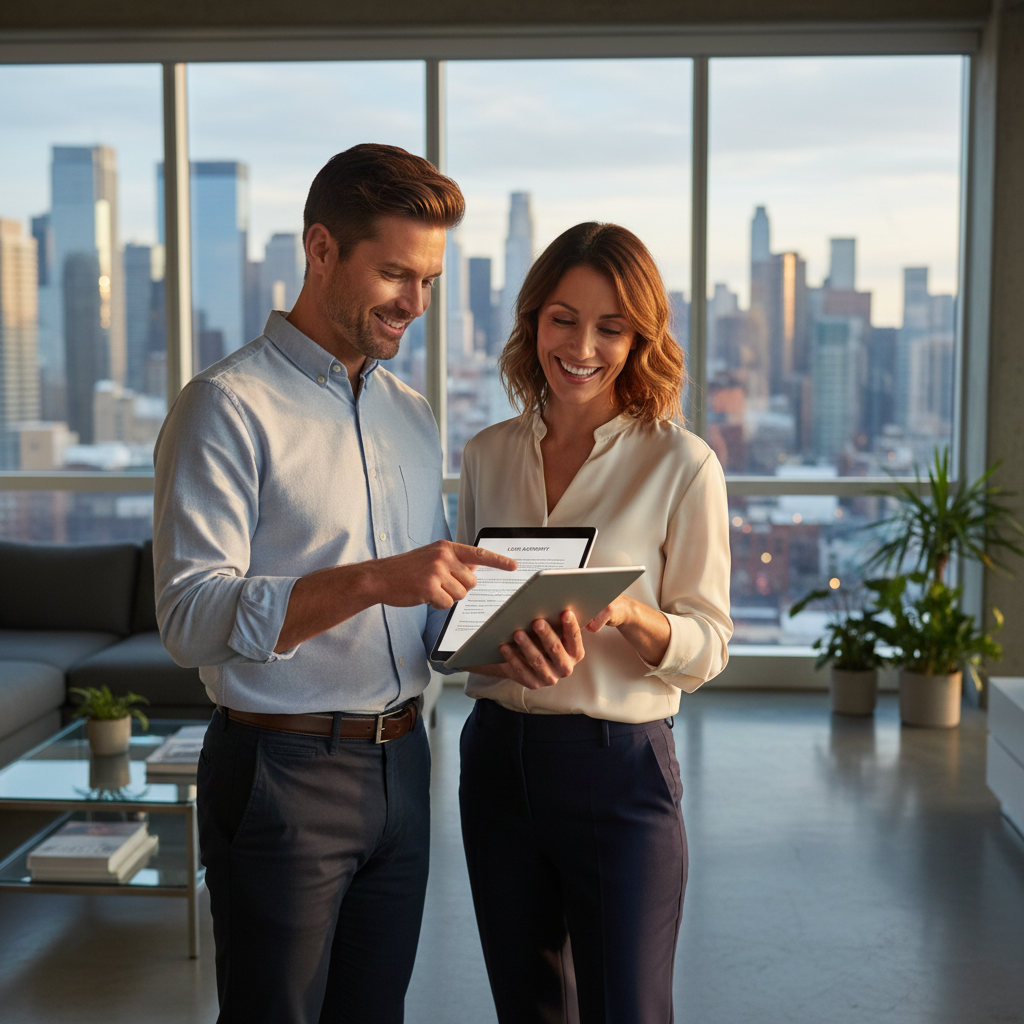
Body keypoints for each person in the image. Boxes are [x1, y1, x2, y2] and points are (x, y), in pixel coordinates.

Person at [152, 144, 582, 1024]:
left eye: (427, 280)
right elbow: (190, 619)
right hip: (281, 771)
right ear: (320, 250)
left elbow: (421, 612)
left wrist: (500, 640)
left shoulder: (410, 414)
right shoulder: (226, 406)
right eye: (394, 274)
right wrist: (375, 579)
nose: (414, 305)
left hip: (404, 764)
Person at [456, 222, 734, 1024]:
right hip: (498, 762)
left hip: (618, 769)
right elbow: (465, 614)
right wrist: (479, 641)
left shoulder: (682, 465)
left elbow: (709, 643)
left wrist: (627, 612)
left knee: (630, 1010)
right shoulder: (486, 455)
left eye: (611, 328)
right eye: (563, 319)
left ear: (640, 339)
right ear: (532, 321)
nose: (582, 346)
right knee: (529, 1006)